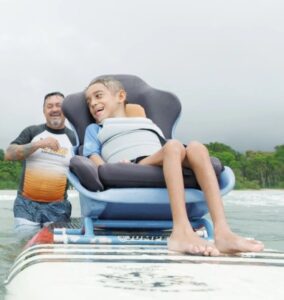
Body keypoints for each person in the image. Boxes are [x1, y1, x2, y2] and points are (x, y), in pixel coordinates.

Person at [83, 76, 264, 256]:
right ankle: (180, 231)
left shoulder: (146, 122)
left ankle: (223, 233)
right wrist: (108, 168)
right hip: (132, 164)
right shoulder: (96, 128)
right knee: (173, 146)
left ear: (121, 97)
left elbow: (159, 143)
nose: (92, 103)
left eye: (98, 96)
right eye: (89, 101)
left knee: (197, 148)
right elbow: (92, 155)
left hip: (160, 157)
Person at [5, 92, 76, 238]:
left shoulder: (74, 138)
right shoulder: (32, 132)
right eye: (50, 106)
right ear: (44, 111)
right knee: (23, 245)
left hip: (58, 208)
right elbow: (9, 154)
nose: (54, 109)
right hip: (26, 205)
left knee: (53, 251)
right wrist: (39, 144)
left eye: (59, 105)